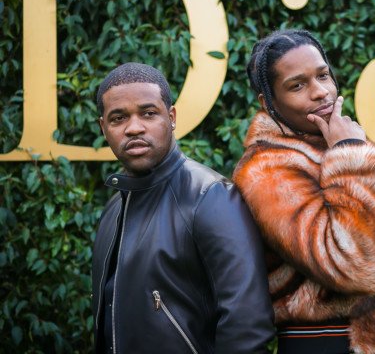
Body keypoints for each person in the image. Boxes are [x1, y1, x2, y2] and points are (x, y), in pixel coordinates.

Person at [232, 30, 375, 354]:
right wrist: (350, 154)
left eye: (323, 75)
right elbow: (357, 268)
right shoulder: (267, 170)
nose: (320, 92)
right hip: (324, 342)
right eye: (297, 85)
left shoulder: (333, 144)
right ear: (269, 102)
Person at [92, 62, 275, 353]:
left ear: (172, 116)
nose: (134, 128)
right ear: (104, 128)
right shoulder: (114, 210)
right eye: (118, 118)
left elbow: (247, 325)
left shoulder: (210, 197)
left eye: (149, 113)